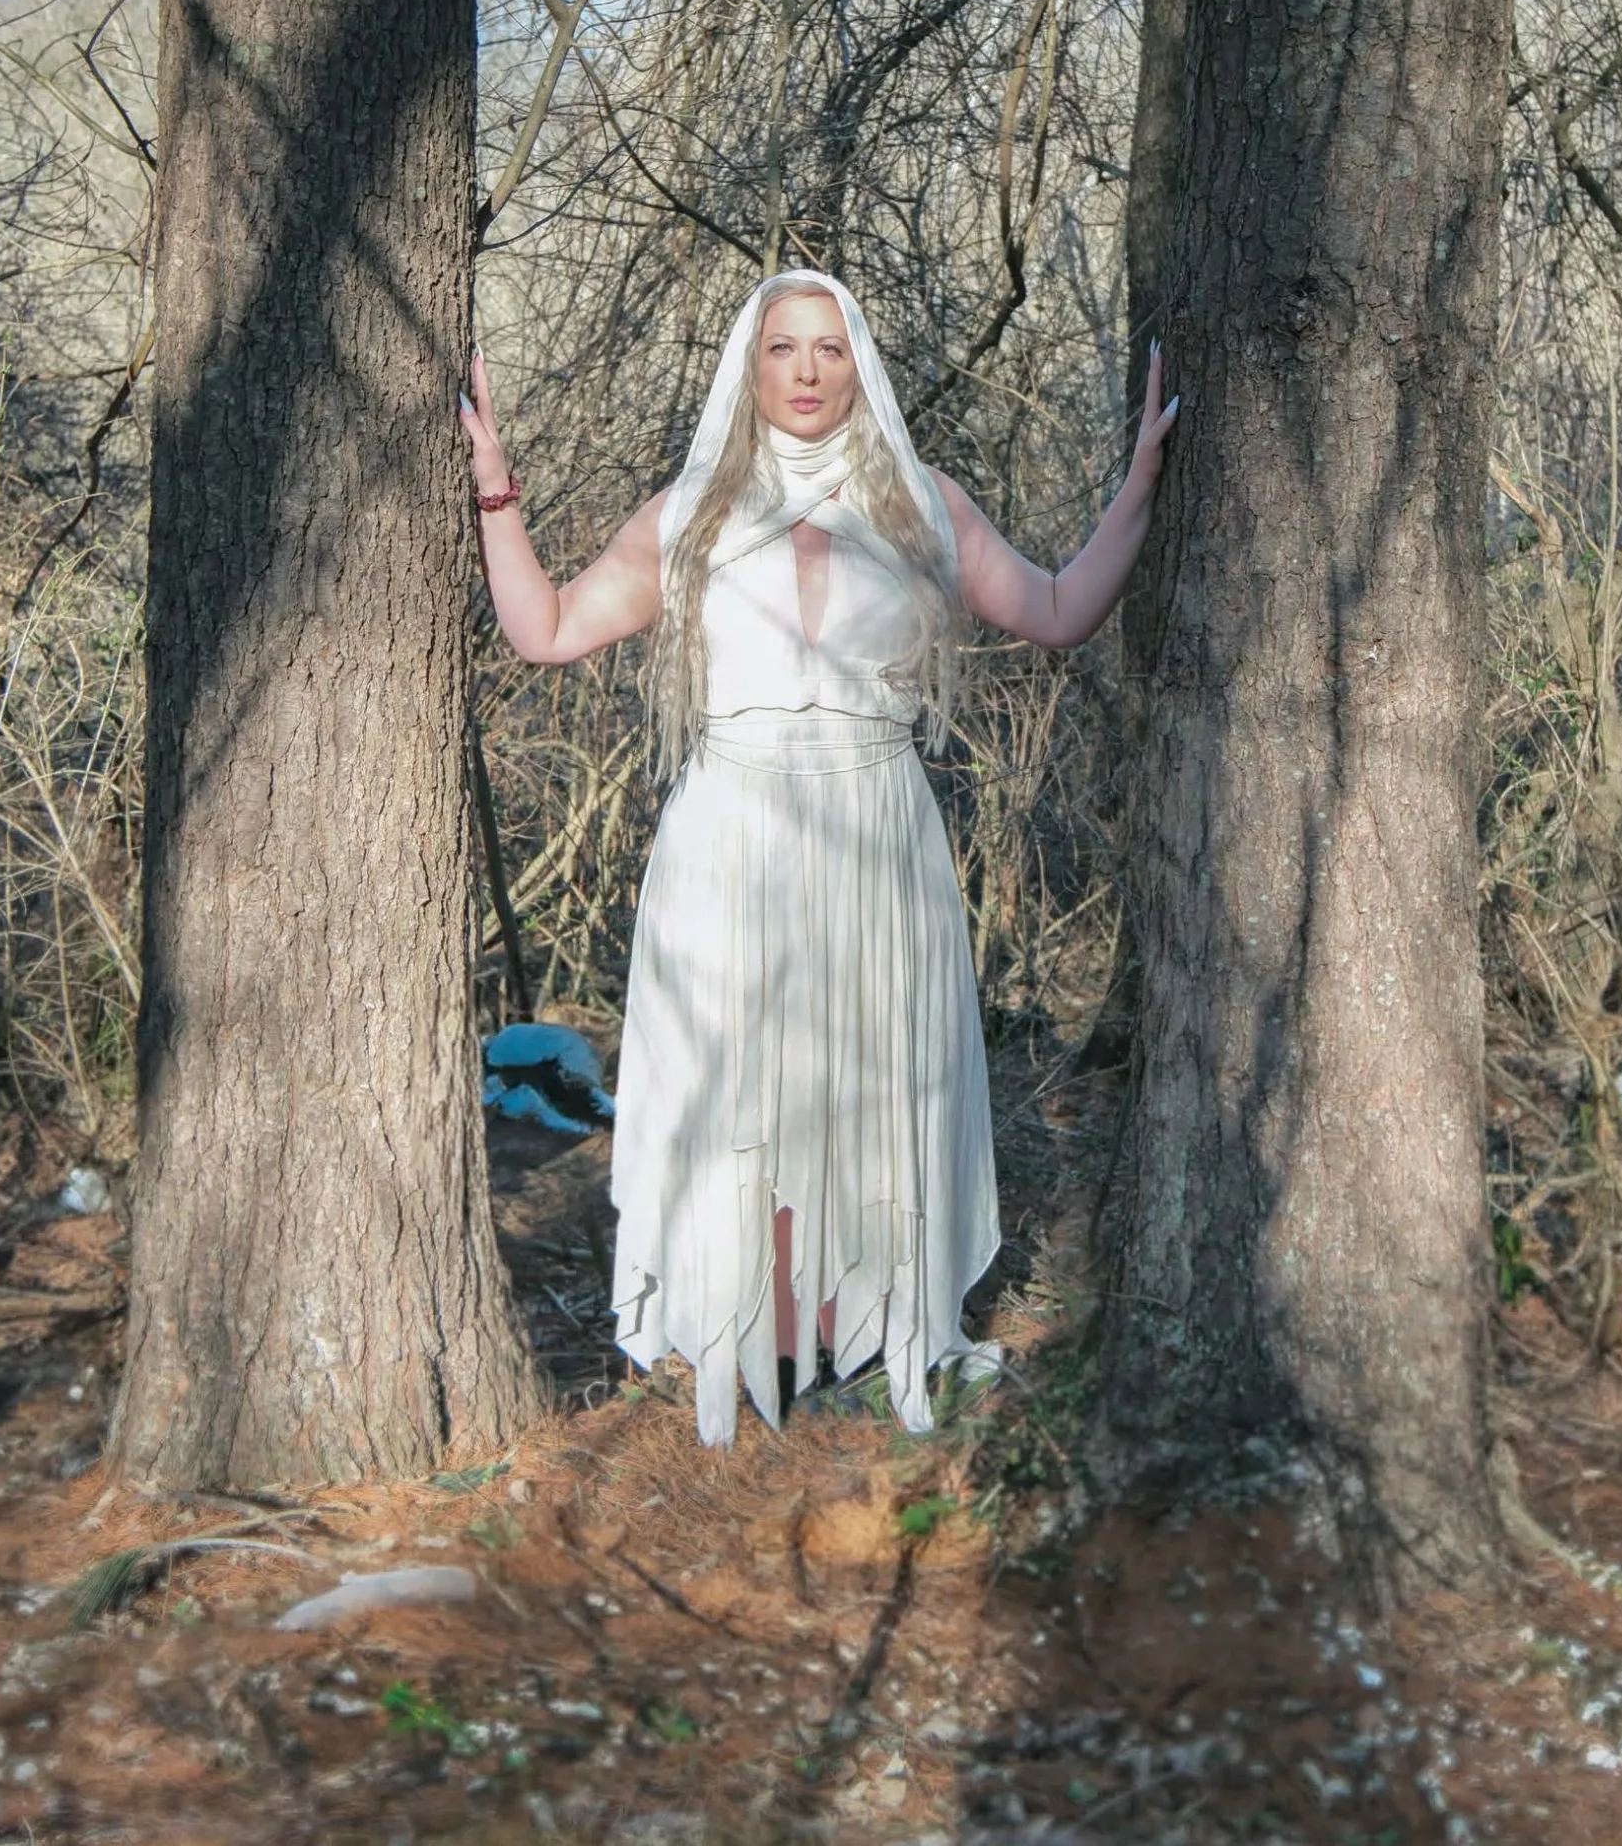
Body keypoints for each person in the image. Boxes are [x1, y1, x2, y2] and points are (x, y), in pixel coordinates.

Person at [459, 271, 1178, 1446]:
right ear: (748, 368)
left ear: (858, 367)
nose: (804, 369)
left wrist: (1140, 482)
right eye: (781, 347)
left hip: (874, 834)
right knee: (744, 1085)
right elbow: (545, 630)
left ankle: (862, 1333)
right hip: (727, 838)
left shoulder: (920, 503)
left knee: (867, 1077)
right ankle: (764, 1339)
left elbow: (1056, 609)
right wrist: (496, 488)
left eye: (828, 348)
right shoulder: (690, 512)